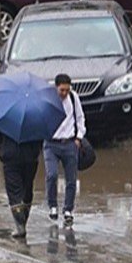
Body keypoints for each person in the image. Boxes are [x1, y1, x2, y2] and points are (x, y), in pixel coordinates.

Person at [0, 122, 42, 239]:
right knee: (27, 189)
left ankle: (20, 224)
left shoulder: (1, 109)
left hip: (11, 155)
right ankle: (22, 222)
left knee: (15, 193)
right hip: (31, 155)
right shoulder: (35, 107)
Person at [44, 74, 85, 228]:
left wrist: (78, 138)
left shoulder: (74, 98)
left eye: (67, 90)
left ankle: (68, 210)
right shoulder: (48, 99)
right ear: (56, 88)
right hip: (51, 144)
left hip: (69, 143)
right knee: (51, 174)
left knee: (71, 179)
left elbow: (80, 118)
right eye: (62, 90)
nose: (64, 93)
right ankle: (52, 206)